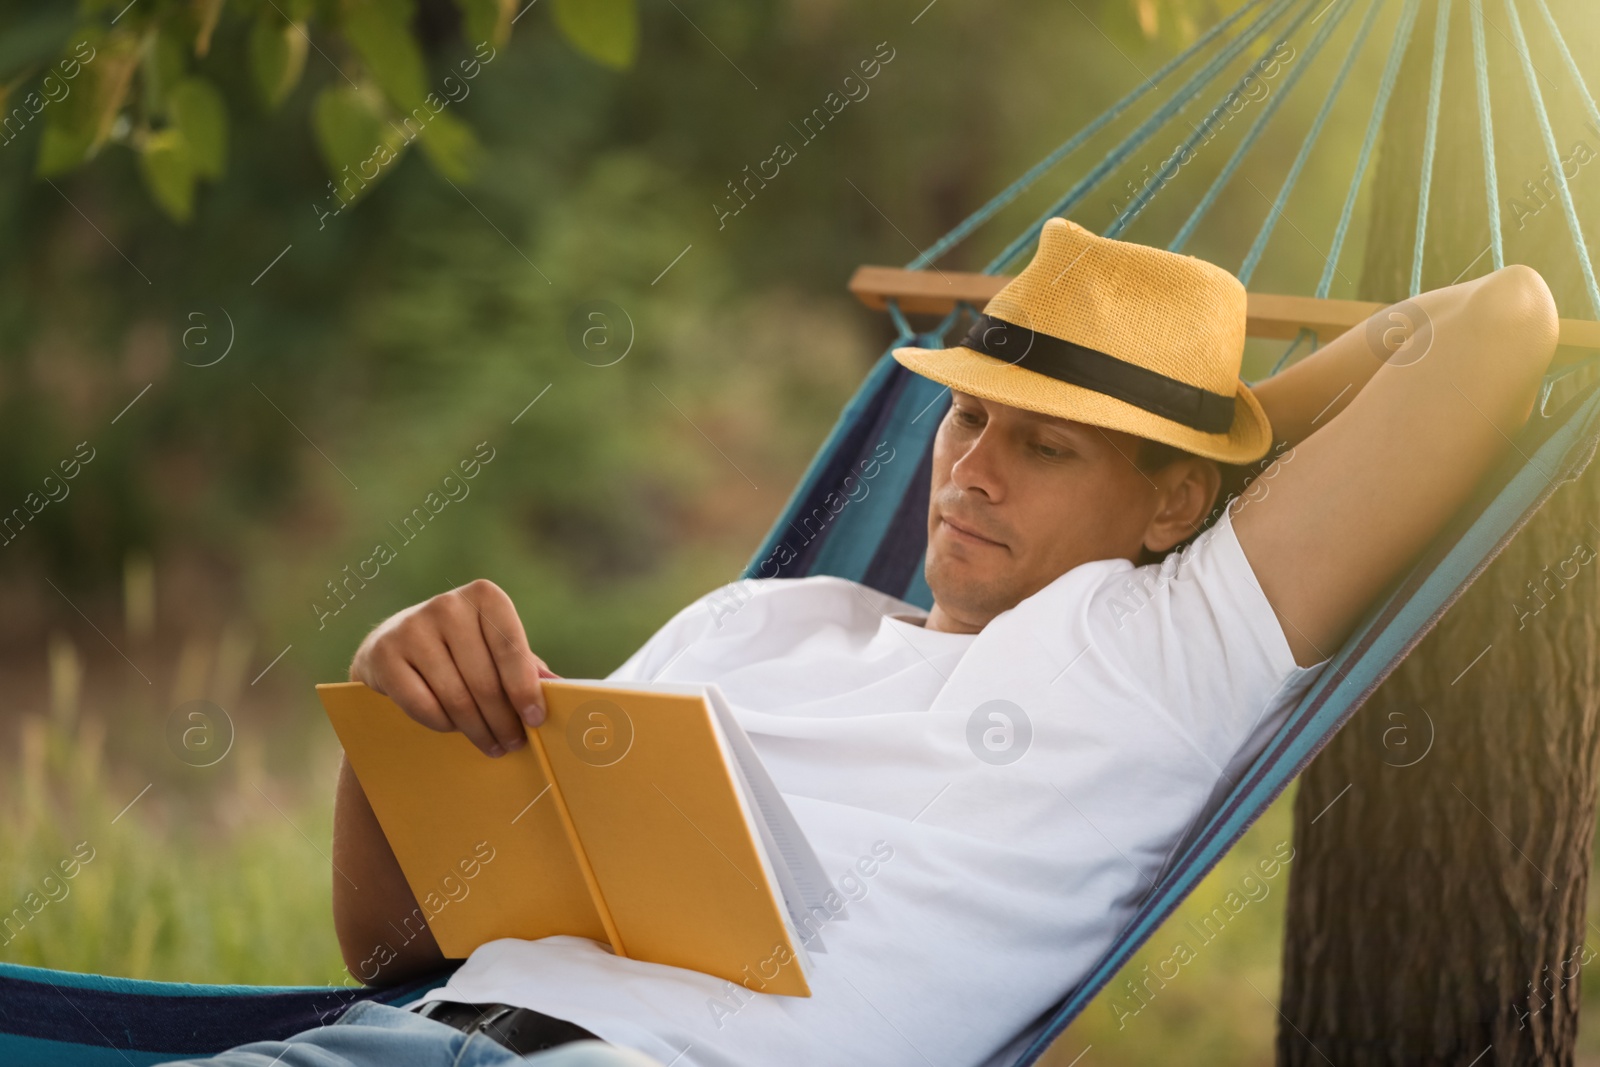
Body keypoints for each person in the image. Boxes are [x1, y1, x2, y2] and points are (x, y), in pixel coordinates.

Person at [160, 218, 1559, 1067]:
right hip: (381, 1044)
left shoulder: (1161, 651)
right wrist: (404, 717)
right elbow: (391, 949)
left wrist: (1213, 444)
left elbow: (1497, 324)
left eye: (1047, 445)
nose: (970, 471)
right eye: (969, 417)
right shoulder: (762, 617)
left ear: (1173, 498)